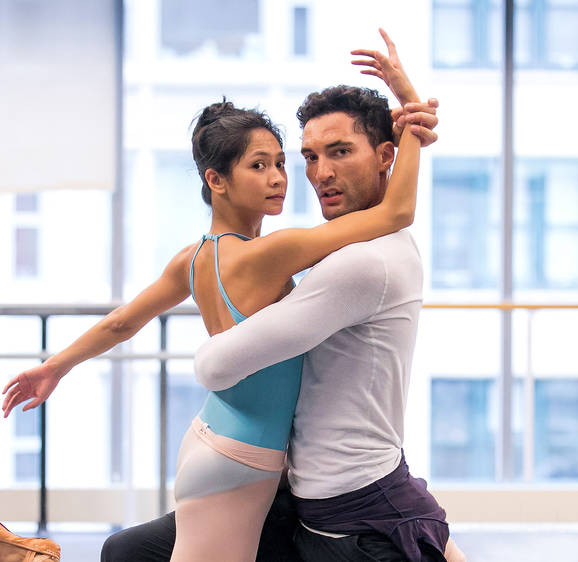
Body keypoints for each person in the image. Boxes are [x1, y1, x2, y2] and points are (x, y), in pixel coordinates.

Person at [2, 31, 443, 562]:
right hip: (246, 454)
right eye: (260, 166)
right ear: (217, 179)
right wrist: (414, 123)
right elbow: (393, 215)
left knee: (135, 551)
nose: (284, 178)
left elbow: (123, 322)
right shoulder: (277, 251)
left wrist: (57, 365)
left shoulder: (192, 257)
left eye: (282, 162)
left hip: (210, 433)